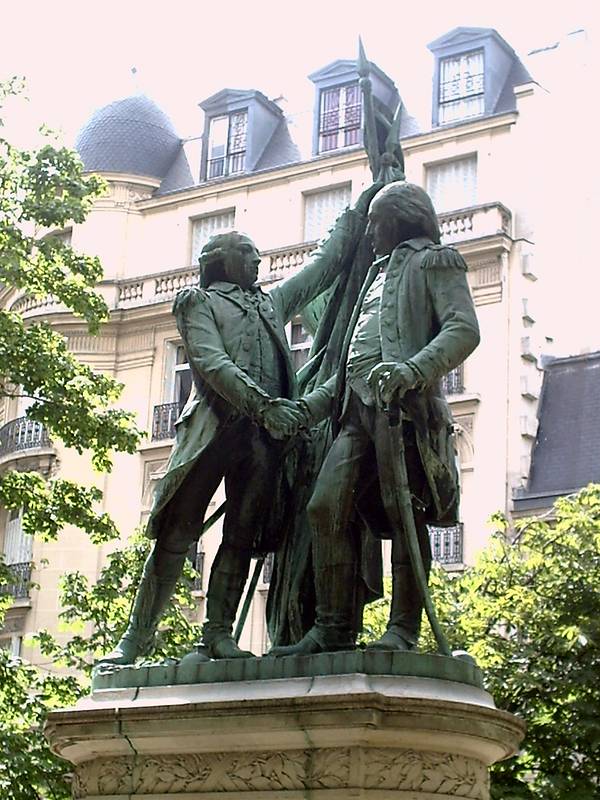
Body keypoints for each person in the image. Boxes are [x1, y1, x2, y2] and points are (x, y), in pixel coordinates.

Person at [99, 182, 382, 665]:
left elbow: (321, 268)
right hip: (213, 432)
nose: (258, 262)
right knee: (178, 534)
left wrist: (361, 209)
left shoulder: (269, 304)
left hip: (262, 442)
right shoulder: (197, 301)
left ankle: (216, 633)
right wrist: (264, 404)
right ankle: (136, 639)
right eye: (249, 254)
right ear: (222, 260)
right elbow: (211, 364)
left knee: (242, 538)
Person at [271, 180, 480, 656]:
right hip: (355, 412)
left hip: (404, 411)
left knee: (405, 513)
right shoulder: (374, 274)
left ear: (399, 218)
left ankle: (403, 630)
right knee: (325, 507)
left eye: (375, 222)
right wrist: (314, 404)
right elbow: (351, 357)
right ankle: (333, 628)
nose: (368, 232)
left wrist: (413, 370)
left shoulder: (434, 261)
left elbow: (463, 329)